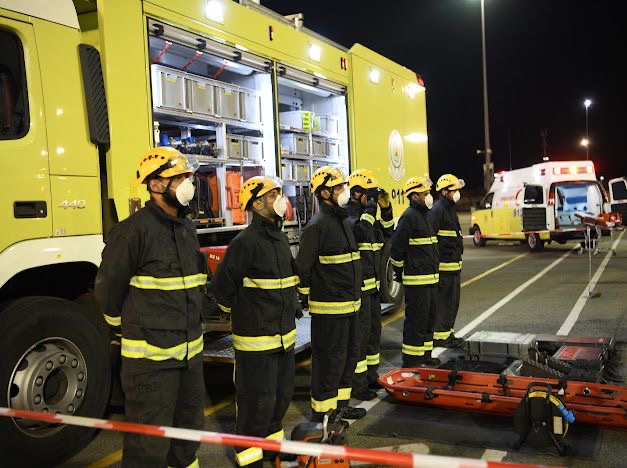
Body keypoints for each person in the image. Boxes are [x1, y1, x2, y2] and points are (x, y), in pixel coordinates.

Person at [95, 147, 206, 468]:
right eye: (179, 178)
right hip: (151, 365)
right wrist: (122, 328)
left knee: (187, 440)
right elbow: (108, 291)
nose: (188, 184)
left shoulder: (186, 228)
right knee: (148, 449)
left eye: (188, 177)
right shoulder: (133, 232)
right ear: (156, 185)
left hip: (190, 358)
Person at [211, 176, 299, 467]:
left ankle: (272, 448)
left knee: (279, 397)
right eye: (273, 195)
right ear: (257, 204)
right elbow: (222, 288)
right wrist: (243, 313)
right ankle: (250, 458)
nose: (280, 199)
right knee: (255, 403)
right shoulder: (245, 243)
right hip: (255, 342)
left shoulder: (280, 238)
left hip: (283, 338)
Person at [296, 166, 365, 424]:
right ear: (324, 193)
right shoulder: (317, 226)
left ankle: (341, 408)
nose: (344, 191)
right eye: (338, 187)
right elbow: (303, 268)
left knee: (347, 359)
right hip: (329, 311)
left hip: (350, 306)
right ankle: (323, 415)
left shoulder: (342, 220)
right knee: (328, 363)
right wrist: (305, 297)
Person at [346, 169, 394, 399]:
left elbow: (387, 233)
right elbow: (360, 234)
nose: (373, 198)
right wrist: (370, 210)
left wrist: (386, 210)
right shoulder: (349, 215)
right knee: (360, 339)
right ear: (357, 193)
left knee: (374, 335)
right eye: (370, 193)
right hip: (359, 291)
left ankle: (371, 376)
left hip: (372, 288)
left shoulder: (369, 215)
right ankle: (358, 385)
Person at [390, 176, 441, 367]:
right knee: (416, 322)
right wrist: (398, 269)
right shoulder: (409, 216)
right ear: (414, 196)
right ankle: (412, 360)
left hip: (430, 280)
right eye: (424, 193)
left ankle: (425, 355)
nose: (428, 196)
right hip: (417, 281)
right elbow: (397, 247)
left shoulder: (425, 216)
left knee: (429, 320)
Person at [428, 173, 466, 348]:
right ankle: (440, 337)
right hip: (444, 268)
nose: (457, 193)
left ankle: (447, 334)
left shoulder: (449, 209)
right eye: (453, 190)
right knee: (444, 304)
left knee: (452, 303)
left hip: (453, 267)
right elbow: (431, 239)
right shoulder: (438, 211)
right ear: (444, 191)